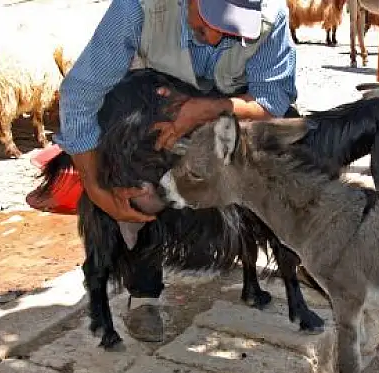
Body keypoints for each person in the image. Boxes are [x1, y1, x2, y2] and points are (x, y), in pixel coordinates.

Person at [53, 0, 300, 342]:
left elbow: (274, 99)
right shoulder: (136, 7)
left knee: (285, 151)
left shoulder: (271, 17)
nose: (215, 38)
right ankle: (143, 294)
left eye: (231, 27)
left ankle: (292, 255)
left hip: (225, 111)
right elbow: (81, 94)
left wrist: (207, 110)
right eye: (208, 21)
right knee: (135, 183)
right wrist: (95, 188)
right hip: (152, 107)